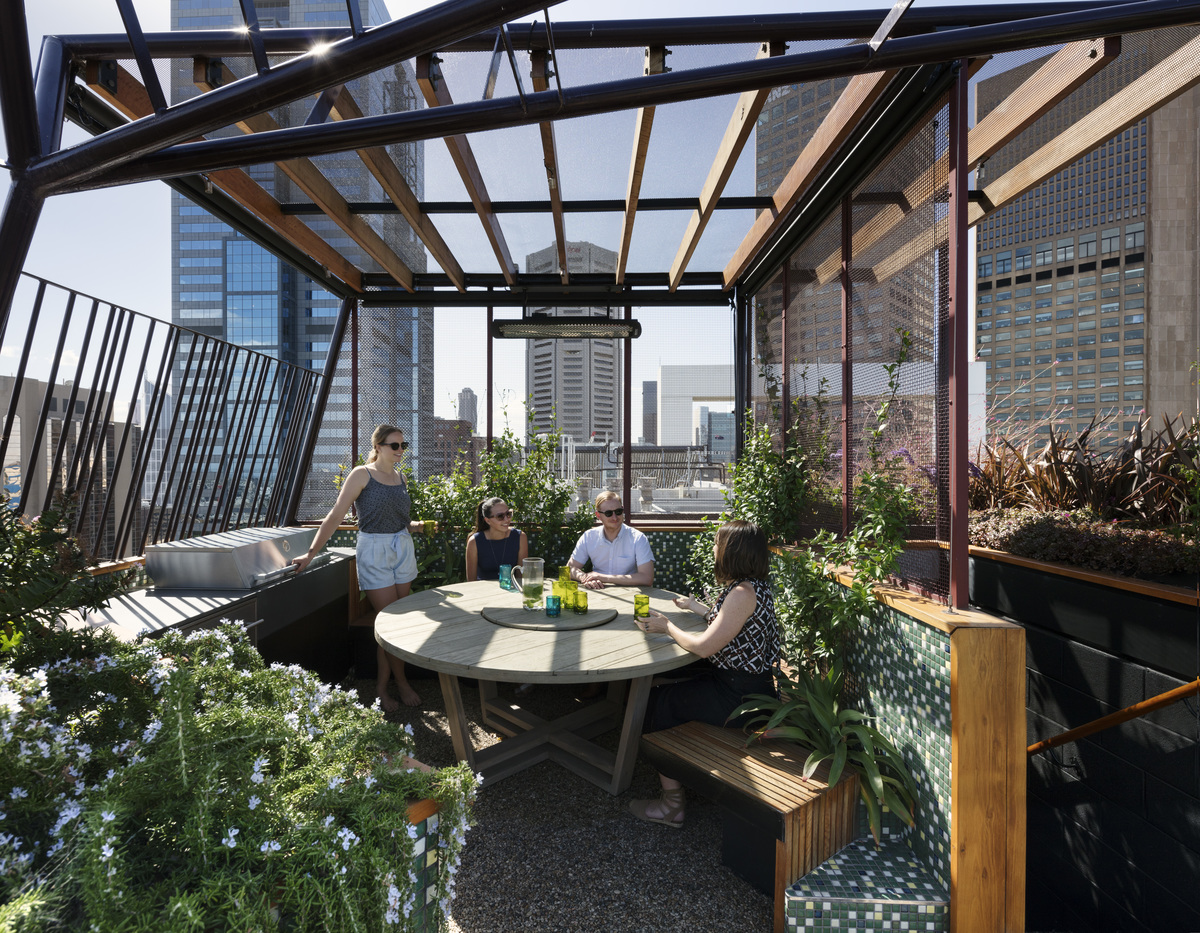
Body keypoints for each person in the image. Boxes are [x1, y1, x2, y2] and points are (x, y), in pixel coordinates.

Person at [627, 519, 781, 828]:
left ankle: (672, 805)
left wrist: (666, 626)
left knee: (656, 701)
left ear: (732, 551)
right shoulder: (752, 586)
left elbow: (704, 647)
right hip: (745, 684)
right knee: (663, 680)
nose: (713, 549)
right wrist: (696, 607)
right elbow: (731, 623)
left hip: (740, 698)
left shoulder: (741, 593)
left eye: (717, 544)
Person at [293, 424, 431, 711]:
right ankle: (394, 685)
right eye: (395, 445)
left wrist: (414, 526)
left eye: (403, 446)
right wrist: (310, 553)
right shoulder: (361, 474)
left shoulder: (400, 477)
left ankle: (386, 685)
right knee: (389, 622)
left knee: (398, 624)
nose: (400, 451)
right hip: (374, 550)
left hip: (402, 548)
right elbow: (335, 515)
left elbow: (398, 517)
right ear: (378, 446)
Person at [567, 491, 654, 589]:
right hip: (599, 592)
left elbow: (647, 578)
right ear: (598, 516)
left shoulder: (638, 538)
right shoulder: (589, 537)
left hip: (631, 594)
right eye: (608, 513)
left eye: (618, 512)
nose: (615, 517)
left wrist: (603, 577)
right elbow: (570, 568)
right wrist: (585, 578)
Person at [464, 497, 527, 582]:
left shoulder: (520, 537)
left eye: (508, 514)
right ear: (488, 520)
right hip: (483, 592)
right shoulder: (474, 542)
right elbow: (471, 582)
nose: (506, 519)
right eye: (500, 516)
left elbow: (521, 576)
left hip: (512, 590)